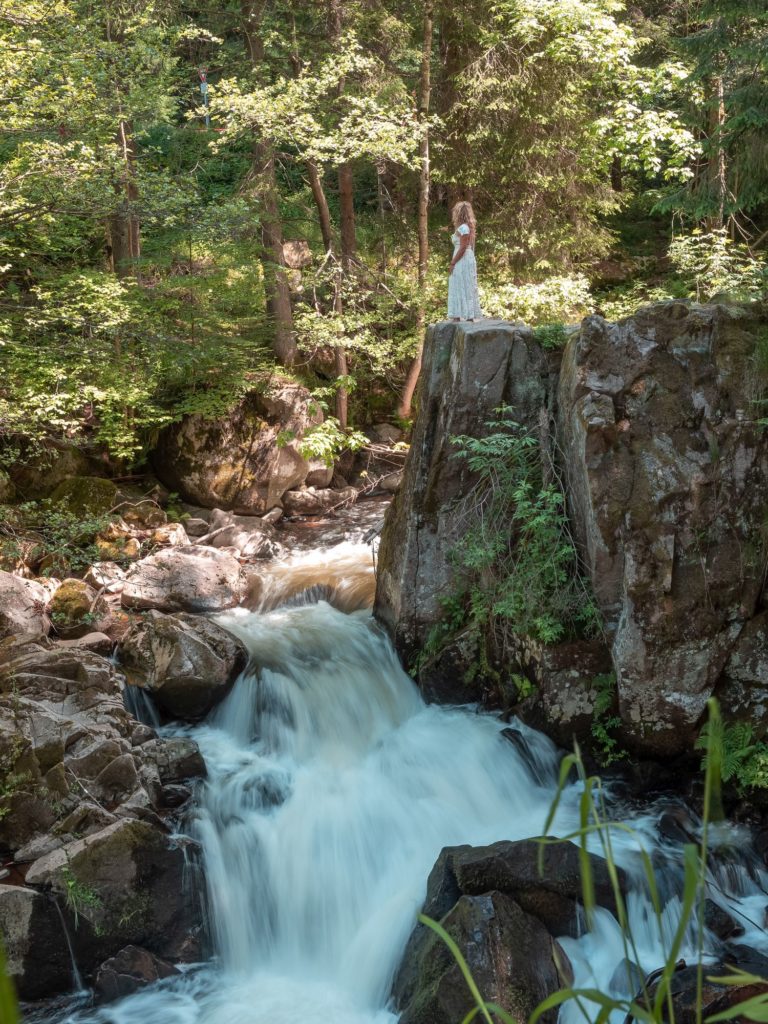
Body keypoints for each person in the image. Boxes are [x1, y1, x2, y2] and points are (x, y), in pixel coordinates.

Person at [447, 200, 482, 322]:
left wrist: (453, 263)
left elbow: (462, 247)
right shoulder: (467, 227)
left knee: (459, 283)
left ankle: (462, 315)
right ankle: (466, 314)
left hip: (462, 258)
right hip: (467, 257)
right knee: (466, 284)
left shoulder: (463, 228)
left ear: (458, 213)